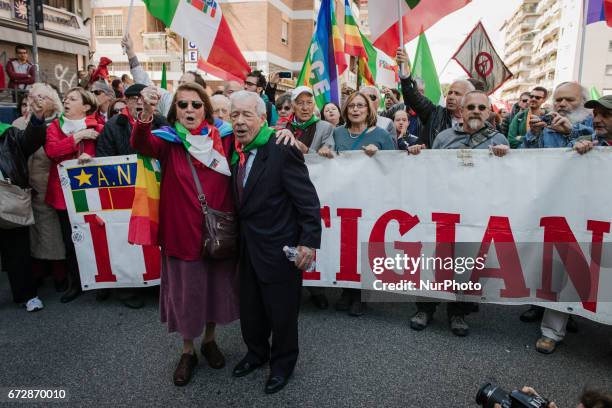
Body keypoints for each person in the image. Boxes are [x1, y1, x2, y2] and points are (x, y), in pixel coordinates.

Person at [132, 82, 239, 386]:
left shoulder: (226, 138)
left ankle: (209, 340)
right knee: (187, 295)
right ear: (174, 110)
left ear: (205, 108)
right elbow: (140, 143)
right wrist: (146, 116)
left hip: (218, 232)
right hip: (181, 233)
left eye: (195, 104)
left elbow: (256, 143)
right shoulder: (167, 141)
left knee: (215, 290)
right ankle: (188, 350)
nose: (189, 110)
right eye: (182, 105)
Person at [228, 90, 321, 394]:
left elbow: (307, 200)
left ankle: (282, 365)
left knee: (282, 315)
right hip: (245, 248)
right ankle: (256, 353)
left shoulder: (281, 148)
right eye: (234, 115)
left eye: (247, 115)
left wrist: (308, 242)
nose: (240, 122)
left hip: (279, 248)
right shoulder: (231, 146)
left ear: (263, 118)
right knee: (251, 310)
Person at [407, 91, 509, 337]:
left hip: (475, 212)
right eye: (470, 106)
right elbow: (430, 169)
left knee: (465, 263)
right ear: (461, 111)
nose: (475, 111)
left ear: (488, 112)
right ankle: (426, 307)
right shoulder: (444, 137)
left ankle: (458, 312)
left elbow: (507, 178)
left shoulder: (499, 139)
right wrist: (417, 154)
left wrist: (506, 157)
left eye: (481, 107)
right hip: (443, 208)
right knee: (434, 259)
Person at [95, 83, 167, 309]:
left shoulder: (161, 122)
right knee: (125, 240)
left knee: (154, 238)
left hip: (154, 190)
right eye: (133, 98)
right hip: (123, 195)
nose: (138, 101)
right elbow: (104, 157)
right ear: (126, 101)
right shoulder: (113, 126)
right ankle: (128, 288)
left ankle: (157, 283)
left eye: (142, 97)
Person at [333, 91, 395, 316]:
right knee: (346, 246)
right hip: (344, 199)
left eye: (361, 106)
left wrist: (380, 155)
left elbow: (394, 166)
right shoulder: (337, 133)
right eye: (352, 106)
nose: (356, 110)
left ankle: (362, 294)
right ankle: (347, 291)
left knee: (366, 246)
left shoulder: (380, 135)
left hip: (371, 199)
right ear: (346, 111)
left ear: (369, 110)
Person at [44, 87, 103, 303]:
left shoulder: (98, 126)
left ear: (86, 106)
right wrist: (78, 137)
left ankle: (101, 281)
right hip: (63, 194)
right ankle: (75, 282)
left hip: (90, 193)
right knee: (71, 241)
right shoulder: (54, 127)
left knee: (95, 238)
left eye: (72, 99)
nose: (66, 101)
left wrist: (92, 155)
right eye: (65, 98)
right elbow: (52, 152)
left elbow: (106, 153)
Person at [0, 88, 55, 312]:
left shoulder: (7, 133)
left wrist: (38, 118)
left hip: (9, 198)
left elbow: (30, 142)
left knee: (17, 251)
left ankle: (27, 295)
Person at [16, 84, 67, 293]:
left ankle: (59, 272)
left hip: (50, 185)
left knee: (52, 232)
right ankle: (37, 270)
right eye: (30, 98)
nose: (33, 102)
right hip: (24, 187)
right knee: (31, 231)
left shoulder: (59, 124)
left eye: (40, 98)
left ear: (51, 101)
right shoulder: (18, 124)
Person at [396, 48, 475, 148]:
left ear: (469, 98)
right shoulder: (435, 114)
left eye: (457, 94)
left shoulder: (479, 122)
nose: (451, 96)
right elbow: (413, 97)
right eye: (450, 92)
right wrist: (405, 73)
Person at [121, 34, 207, 116]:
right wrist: (131, 53)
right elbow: (145, 83)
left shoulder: (210, 122)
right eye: (180, 82)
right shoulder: (168, 100)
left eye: (185, 84)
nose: (180, 86)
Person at [521, 82, 593, 149]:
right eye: (558, 100)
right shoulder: (545, 125)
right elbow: (524, 155)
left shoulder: (595, 122)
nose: (562, 104)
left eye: (570, 100)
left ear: (584, 101)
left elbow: (599, 144)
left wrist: (571, 132)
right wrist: (534, 134)